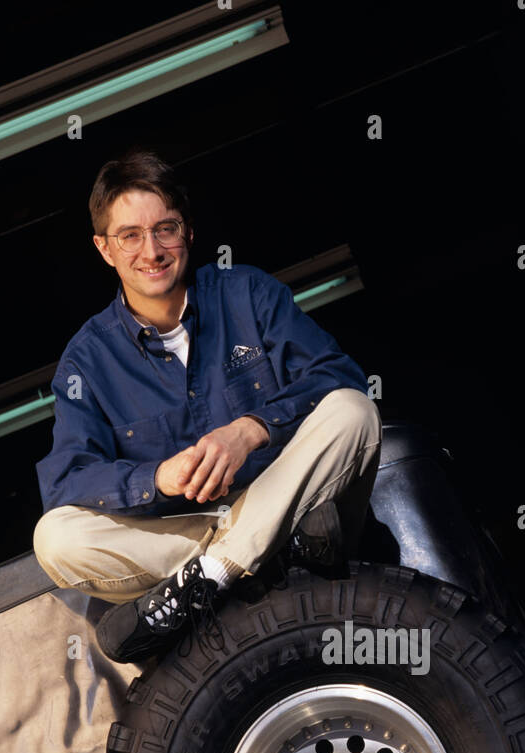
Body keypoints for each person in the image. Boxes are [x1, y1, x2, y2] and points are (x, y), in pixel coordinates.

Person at [33, 150, 381, 662]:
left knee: (354, 410)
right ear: (104, 249)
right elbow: (67, 480)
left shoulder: (248, 292)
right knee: (55, 536)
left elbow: (336, 374)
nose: (150, 250)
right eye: (130, 235)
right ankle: (263, 554)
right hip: (199, 531)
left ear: (188, 233)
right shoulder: (86, 361)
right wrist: (157, 478)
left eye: (165, 229)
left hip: (291, 494)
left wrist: (251, 429)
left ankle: (216, 574)